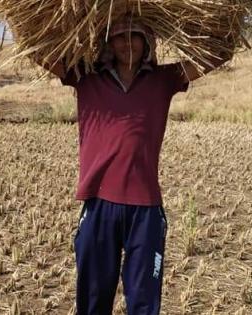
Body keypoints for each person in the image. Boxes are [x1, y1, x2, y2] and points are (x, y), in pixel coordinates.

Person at [38, 15, 233, 315]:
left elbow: (218, 55)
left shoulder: (164, 79)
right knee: (92, 299)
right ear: (108, 44)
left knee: (144, 301)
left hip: (146, 209)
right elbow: (39, 52)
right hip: (98, 204)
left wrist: (225, 21)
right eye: (119, 37)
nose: (127, 44)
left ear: (147, 43)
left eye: (135, 36)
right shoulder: (86, 76)